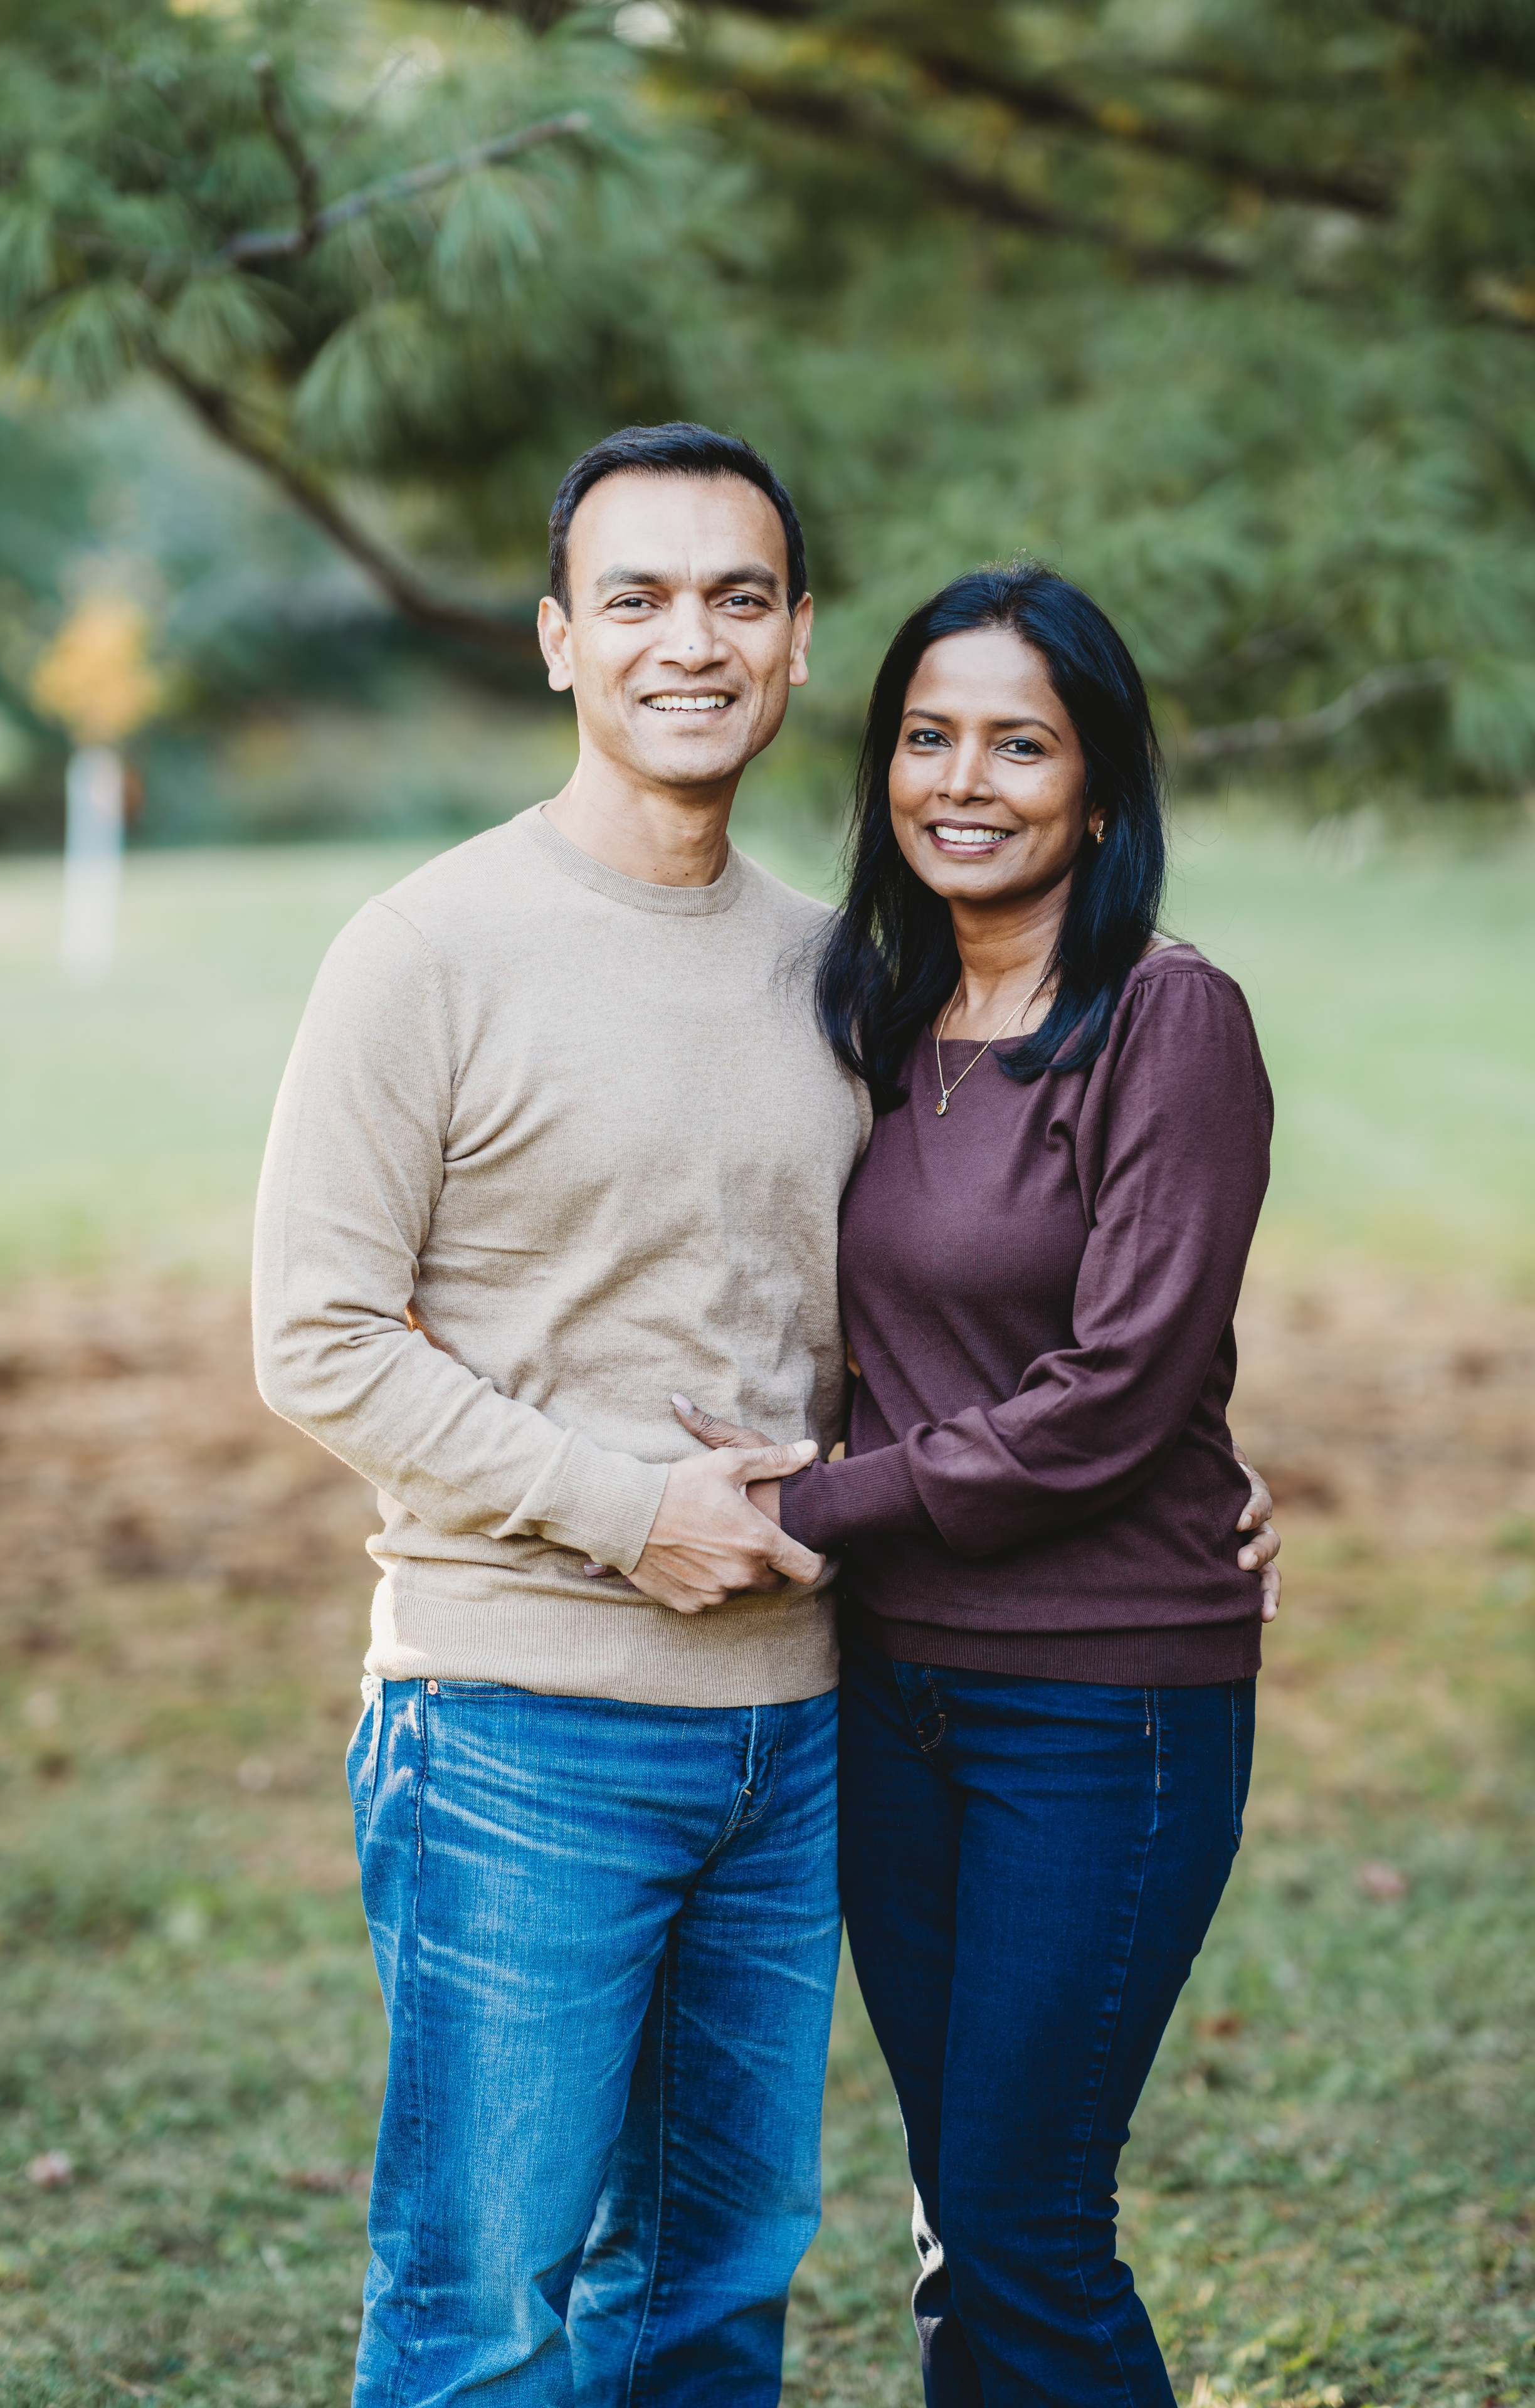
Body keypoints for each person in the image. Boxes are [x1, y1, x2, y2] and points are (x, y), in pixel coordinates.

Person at [254, 425, 1279, 2407]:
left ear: (799, 644)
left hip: (801, 1722)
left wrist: (1194, 1457)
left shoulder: (846, 978)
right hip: (516, 1720)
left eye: (737, 598)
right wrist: (631, 1511)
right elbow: (316, 1339)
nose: (688, 642)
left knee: (719, 2287)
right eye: (634, 597)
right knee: (489, 2311)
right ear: (559, 638)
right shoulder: (424, 952)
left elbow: (978, 1301)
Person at [675, 564, 1274, 2406]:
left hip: (1105, 1701)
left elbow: (1109, 1393)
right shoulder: (866, 1015)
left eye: (1023, 744)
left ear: (1100, 790)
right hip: (891, 1691)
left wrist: (808, 1510)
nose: (965, 779)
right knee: (958, 2217)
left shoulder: (1168, 1021)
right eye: (929, 736)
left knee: (1025, 2223)